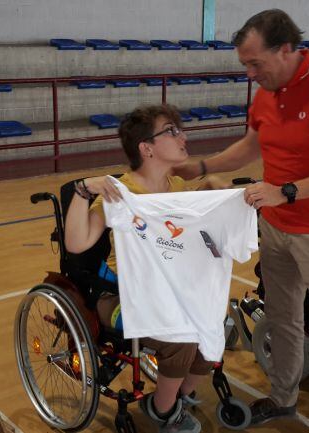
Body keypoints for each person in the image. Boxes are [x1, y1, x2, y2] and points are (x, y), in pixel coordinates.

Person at [174, 9, 309, 432]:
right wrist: (202, 165)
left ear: (286, 49)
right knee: (282, 319)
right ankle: (283, 399)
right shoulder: (266, 92)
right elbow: (250, 146)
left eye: (254, 63)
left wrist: (285, 191)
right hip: (277, 229)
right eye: (244, 64)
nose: (249, 73)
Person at [65, 105, 222, 433]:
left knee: (212, 322)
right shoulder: (119, 194)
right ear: (146, 148)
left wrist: (211, 197)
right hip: (123, 296)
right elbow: (77, 243)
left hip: (169, 289)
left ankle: (180, 394)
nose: (184, 136)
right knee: (181, 337)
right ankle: (162, 410)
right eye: (172, 131)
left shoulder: (174, 186)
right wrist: (84, 189)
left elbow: (180, 232)